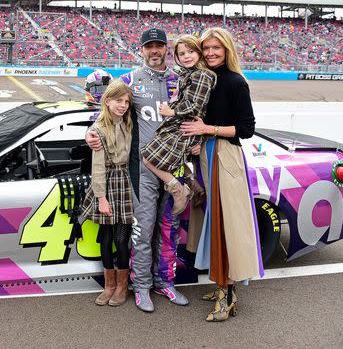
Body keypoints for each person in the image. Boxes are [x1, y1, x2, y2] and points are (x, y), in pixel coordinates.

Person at [86, 28, 187, 312]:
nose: (154, 50)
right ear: (141, 50)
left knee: (169, 231)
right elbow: (107, 109)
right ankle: (141, 286)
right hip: (141, 170)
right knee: (142, 233)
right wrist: (91, 133)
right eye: (149, 46)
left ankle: (164, 282)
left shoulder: (179, 79)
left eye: (159, 45)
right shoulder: (129, 80)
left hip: (173, 168)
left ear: (167, 48)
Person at [180, 27, 264, 322]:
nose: (211, 53)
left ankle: (227, 296)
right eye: (207, 48)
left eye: (217, 48)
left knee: (225, 227)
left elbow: (246, 129)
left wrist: (207, 130)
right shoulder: (206, 79)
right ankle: (221, 286)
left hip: (225, 157)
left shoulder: (235, 82)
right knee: (211, 225)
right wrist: (200, 140)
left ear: (227, 49)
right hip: (206, 155)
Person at [142, 35, 216, 215]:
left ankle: (179, 191)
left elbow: (195, 105)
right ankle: (193, 186)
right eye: (181, 53)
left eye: (191, 52)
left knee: (148, 158)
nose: (186, 56)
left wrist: (172, 111)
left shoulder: (202, 75)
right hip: (182, 126)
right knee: (174, 162)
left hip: (184, 127)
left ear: (199, 53)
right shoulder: (189, 73)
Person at [80, 80, 134, 307]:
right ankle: (109, 285)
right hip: (107, 185)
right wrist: (101, 199)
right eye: (118, 101)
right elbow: (98, 168)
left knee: (122, 239)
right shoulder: (99, 129)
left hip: (127, 183)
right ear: (107, 101)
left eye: (126, 102)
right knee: (106, 237)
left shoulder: (130, 122)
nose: (122, 105)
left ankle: (122, 286)